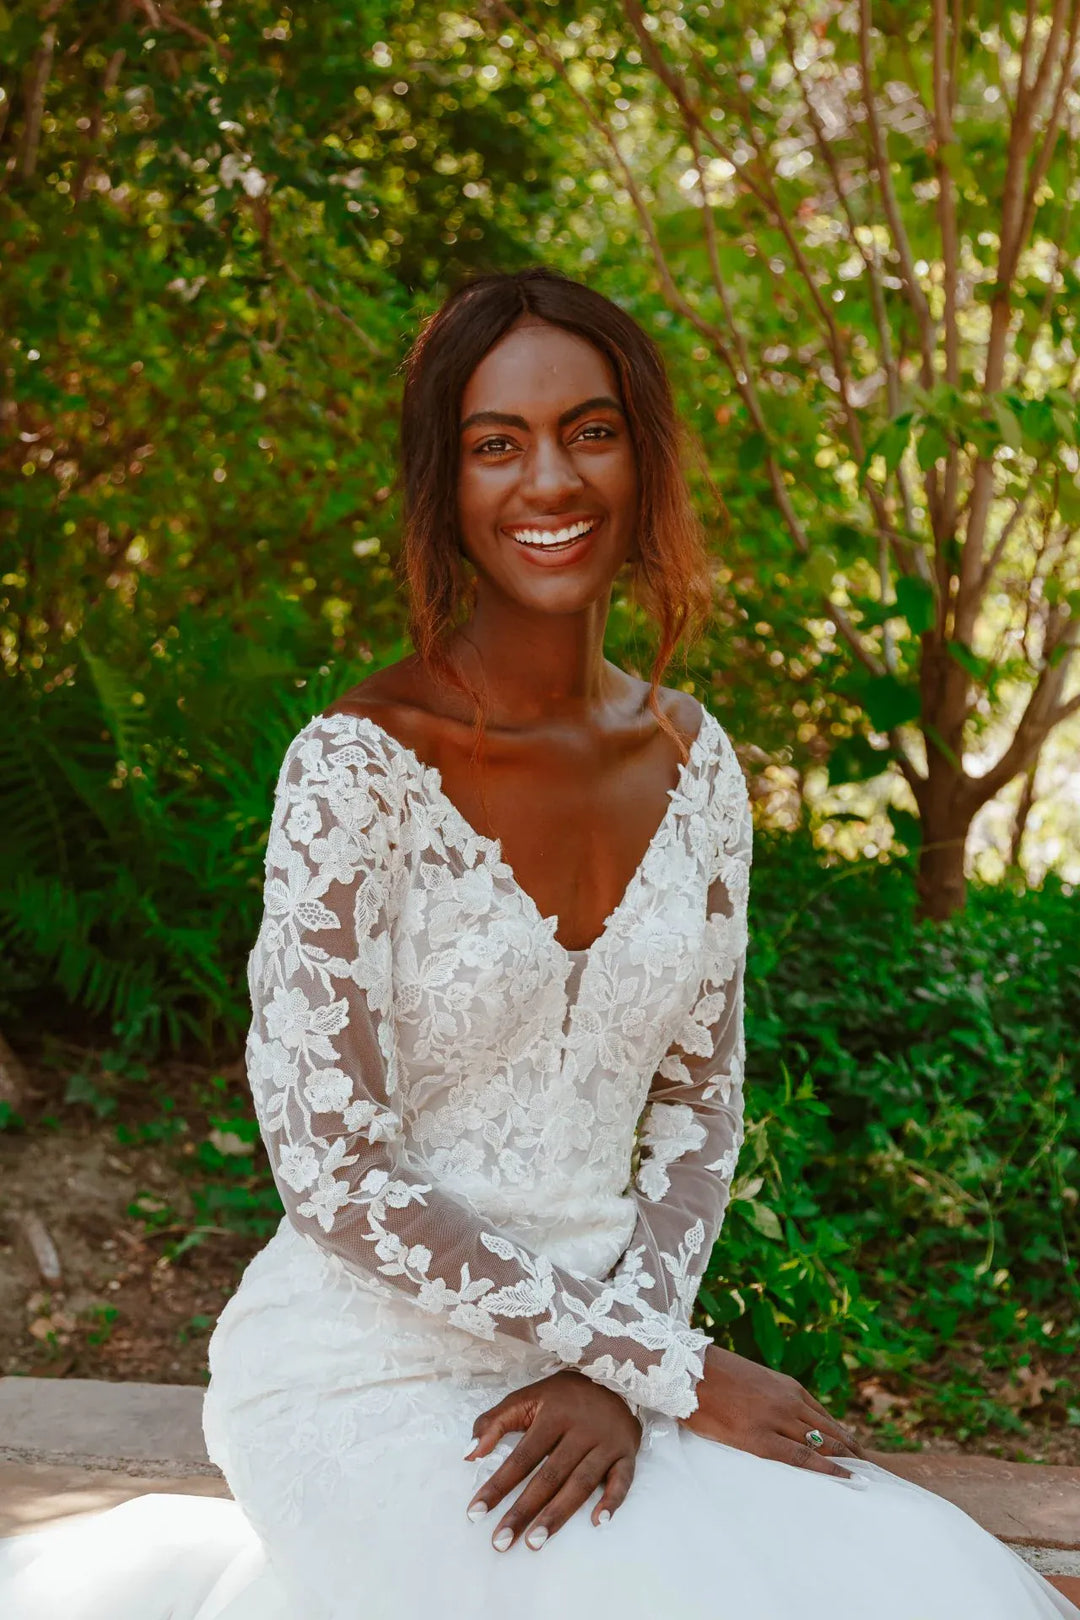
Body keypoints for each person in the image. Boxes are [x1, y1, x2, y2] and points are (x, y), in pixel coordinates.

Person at [0, 267, 1073, 1620]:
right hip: (361, 1378)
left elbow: (699, 1106)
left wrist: (621, 1370)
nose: (548, 479)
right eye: (496, 444)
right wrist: (665, 1366)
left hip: (606, 1378)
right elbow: (335, 1174)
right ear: (444, 485)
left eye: (591, 430)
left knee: (904, 1582)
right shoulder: (354, 769)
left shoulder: (699, 762)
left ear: (643, 460)